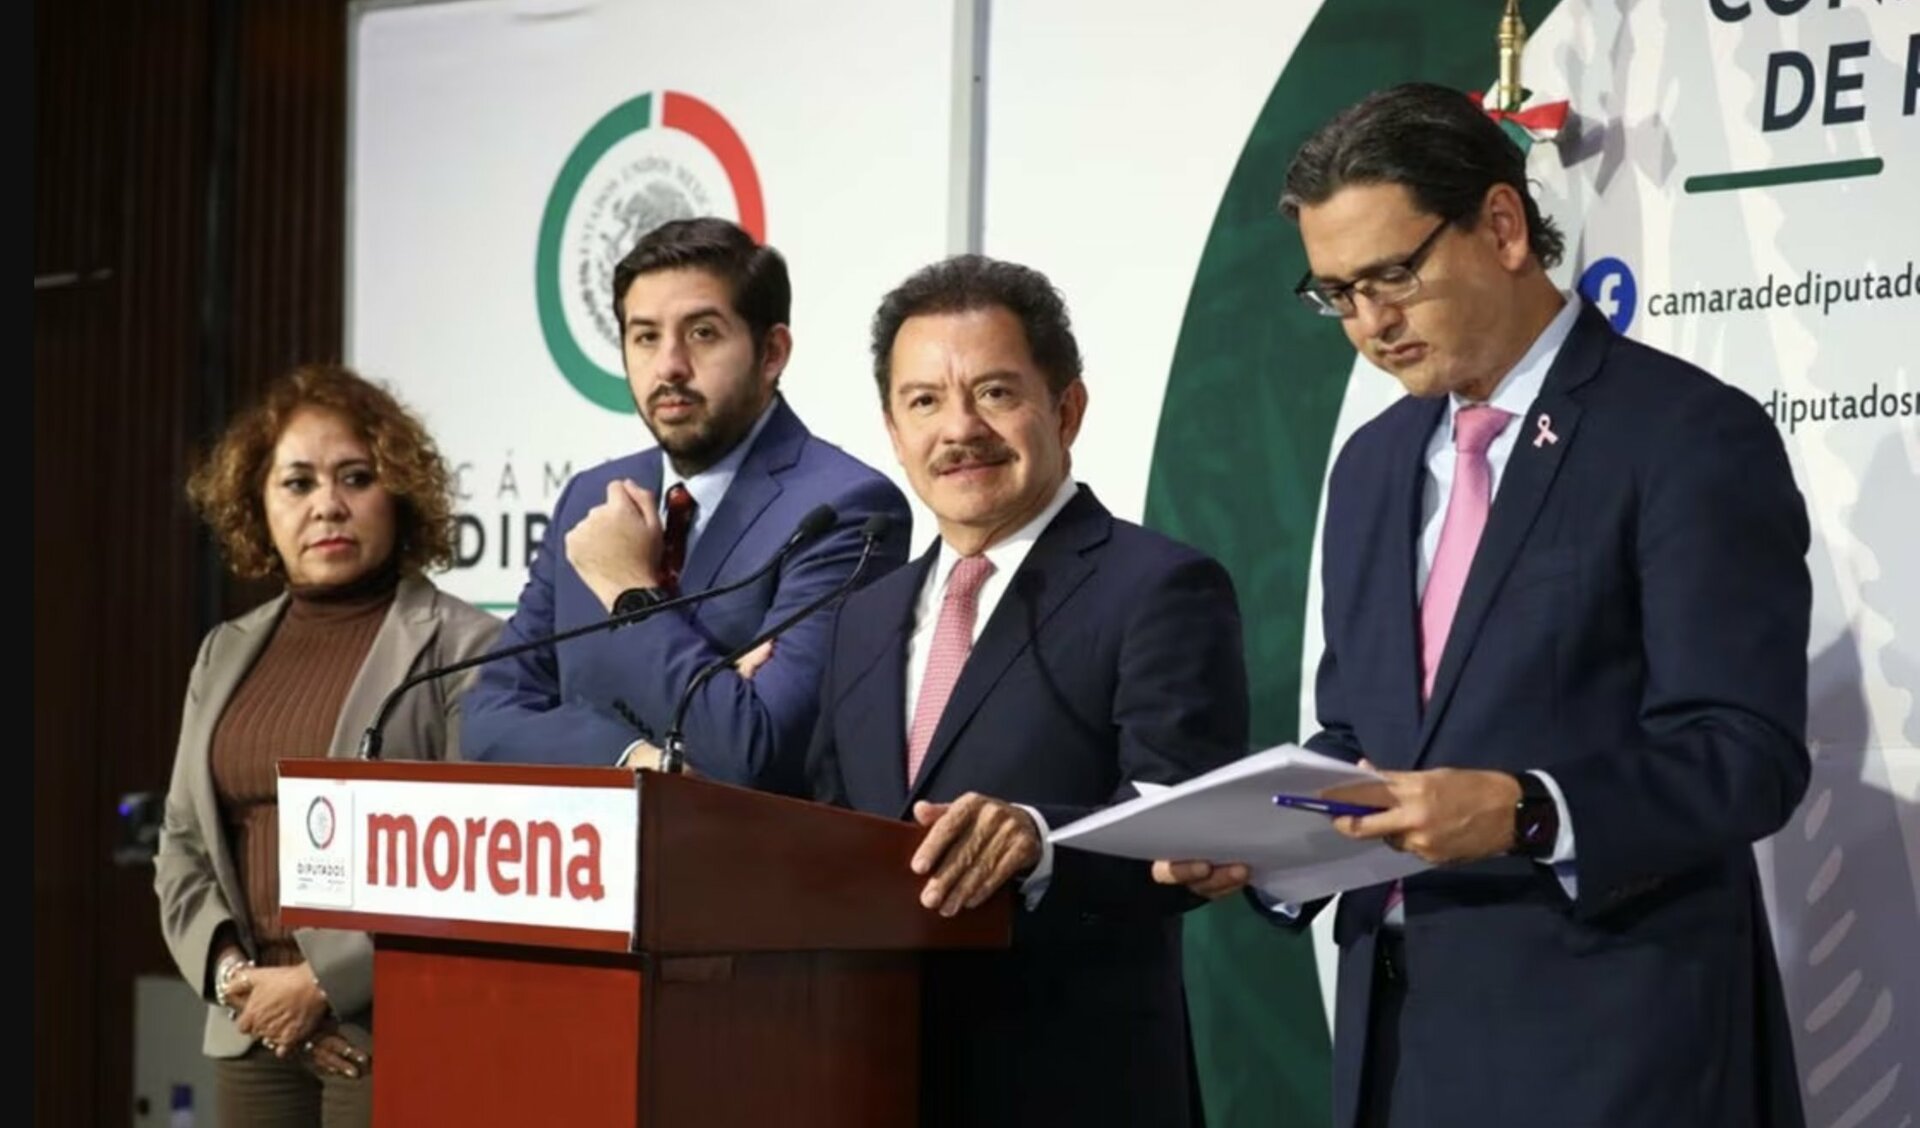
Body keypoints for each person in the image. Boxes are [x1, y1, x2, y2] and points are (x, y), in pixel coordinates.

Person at [1154, 82, 1812, 1127]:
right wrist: (1271, 842)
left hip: (1615, 1052)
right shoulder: (1370, 466)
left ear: (1502, 226)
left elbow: (1746, 755)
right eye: (1338, 294)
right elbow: (1363, 736)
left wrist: (1526, 810)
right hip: (1396, 1047)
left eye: (1392, 275)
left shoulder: (1684, 435)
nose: (1371, 324)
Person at [802, 254, 1249, 1127]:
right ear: (892, 430)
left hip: (1074, 1088)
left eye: (995, 393)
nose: (958, 429)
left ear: (1066, 408)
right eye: (923, 401)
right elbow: (827, 823)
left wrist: (1041, 844)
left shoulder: (1159, 586)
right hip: (871, 1077)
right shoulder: (864, 614)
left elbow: (1189, 828)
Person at [155, 364, 503, 1127]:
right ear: (258, 504)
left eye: (356, 477)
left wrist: (322, 983)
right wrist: (236, 980)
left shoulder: (467, 645)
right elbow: (182, 842)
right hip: (255, 1029)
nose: (328, 505)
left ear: (399, 493)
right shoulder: (223, 651)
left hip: (394, 1024)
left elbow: (481, 861)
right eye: (298, 483)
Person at [462, 217, 911, 785]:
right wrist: (632, 756)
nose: (669, 365)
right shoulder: (590, 498)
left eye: (702, 333)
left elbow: (755, 749)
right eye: (646, 336)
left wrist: (629, 592)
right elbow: (486, 719)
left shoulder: (847, 510)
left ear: (772, 352)